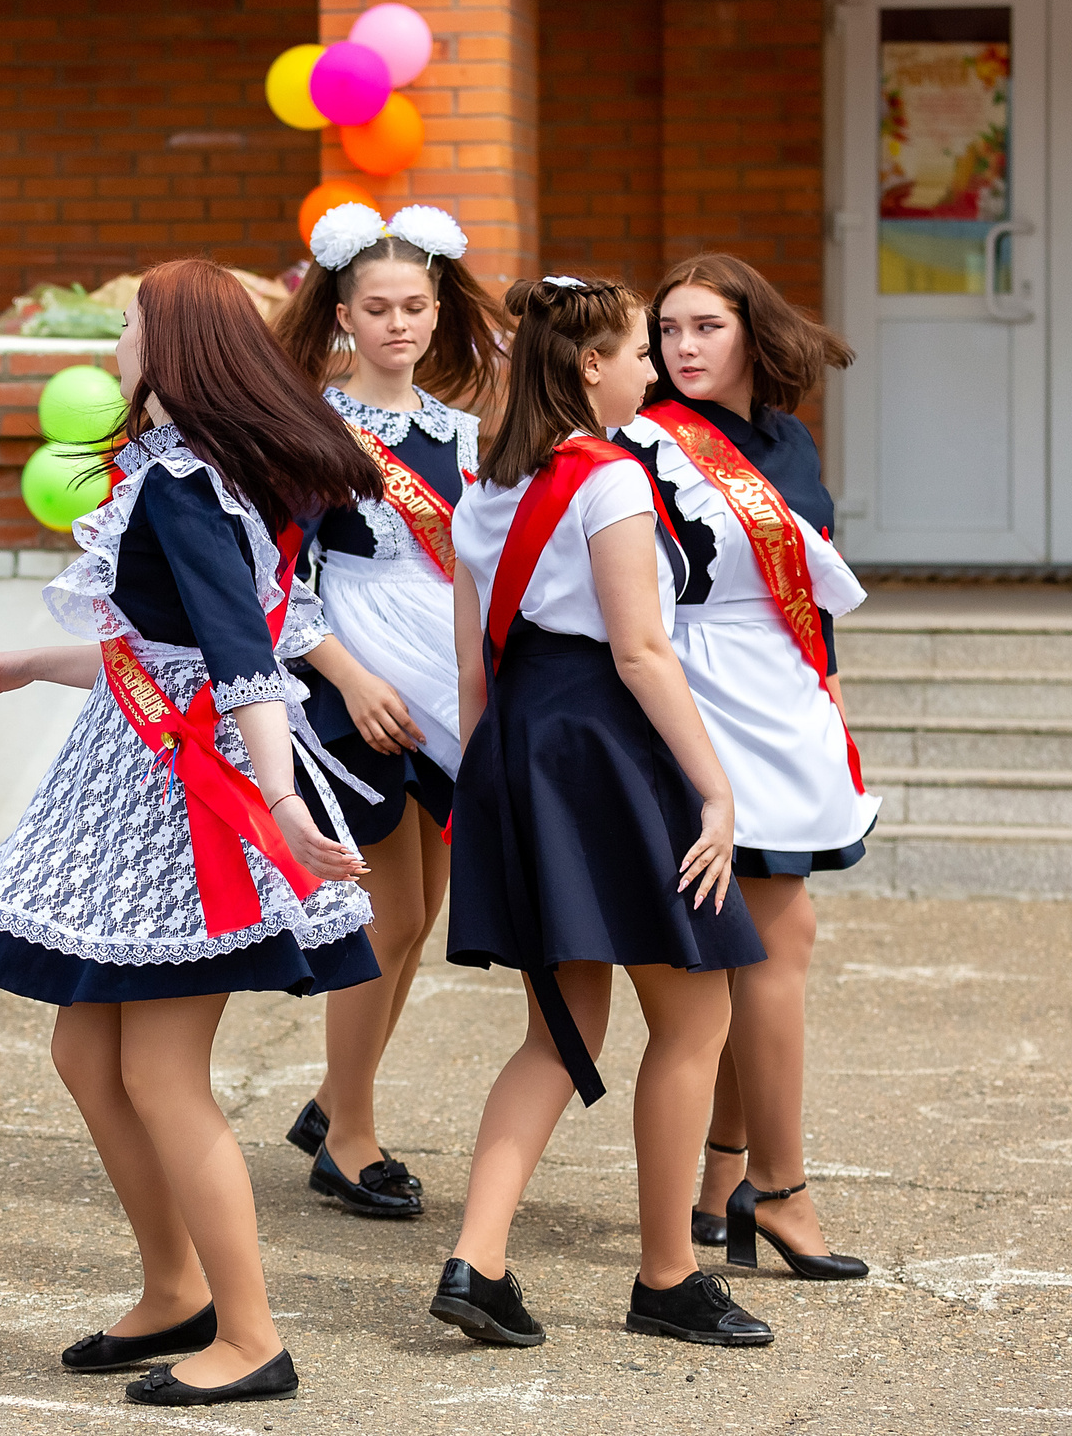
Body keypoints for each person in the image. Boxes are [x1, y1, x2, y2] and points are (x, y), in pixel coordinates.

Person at [0, 259, 384, 1409]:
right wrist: (30, 661)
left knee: (159, 1070)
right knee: (87, 1052)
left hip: (193, 795)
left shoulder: (190, 480)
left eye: (131, 322)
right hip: (140, 774)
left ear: (170, 345)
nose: (119, 341)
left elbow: (242, 662)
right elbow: (167, 646)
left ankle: (250, 1334)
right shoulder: (193, 470)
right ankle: (173, 1289)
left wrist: (282, 808)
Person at [430, 272, 773, 1352]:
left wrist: (485, 796)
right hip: (606, 747)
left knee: (559, 1028)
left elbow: (474, 673)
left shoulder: (483, 487)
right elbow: (639, 651)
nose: (648, 367)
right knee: (694, 1015)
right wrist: (714, 788)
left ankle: (475, 1260)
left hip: (517, 750)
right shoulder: (612, 480)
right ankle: (668, 1275)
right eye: (634, 352)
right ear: (588, 367)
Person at [616, 252, 876, 1284]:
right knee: (770, 943)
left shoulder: (791, 440)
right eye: (667, 330)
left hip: (786, 698)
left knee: (761, 943)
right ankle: (778, 1186)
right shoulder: (635, 447)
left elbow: (807, 589)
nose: (682, 348)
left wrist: (834, 702)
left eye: (704, 328)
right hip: (701, 697)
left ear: (750, 332)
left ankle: (730, 1171)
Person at [268, 202, 504, 1219]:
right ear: (342, 315)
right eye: (377, 307)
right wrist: (351, 677)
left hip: (448, 678)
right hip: (352, 681)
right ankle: (349, 1139)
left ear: (439, 306)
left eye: (414, 305)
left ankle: (336, 1097)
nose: (398, 323)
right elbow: (274, 580)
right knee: (384, 910)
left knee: (421, 914)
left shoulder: (462, 431)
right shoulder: (309, 429)